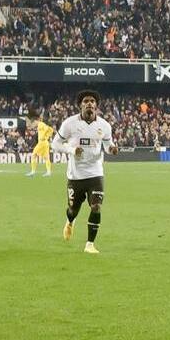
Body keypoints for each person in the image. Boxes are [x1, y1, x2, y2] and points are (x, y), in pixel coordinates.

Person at [50, 90, 118, 254]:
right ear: (80, 105)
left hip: (95, 174)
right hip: (75, 175)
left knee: (96, 207)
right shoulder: (69, 123)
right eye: (86, 101)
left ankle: (90, 244)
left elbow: (108, 145)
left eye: (92, 101)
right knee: (73, 209)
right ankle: (69, 221)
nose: (89, 103)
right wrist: (72, 150)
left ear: (96, 106)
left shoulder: (104, 126)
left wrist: (112, 149)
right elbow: (55, 144)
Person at [24, 110, 54, 177]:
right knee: (46, 158)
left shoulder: (41, 124)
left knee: (34, 155)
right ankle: (49, 172)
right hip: (45, 142)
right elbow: (51, 130)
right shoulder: (41, 124)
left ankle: (33, 171)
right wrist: (47, 136)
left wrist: (44, 136)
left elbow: (47, 129)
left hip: (42, 142)